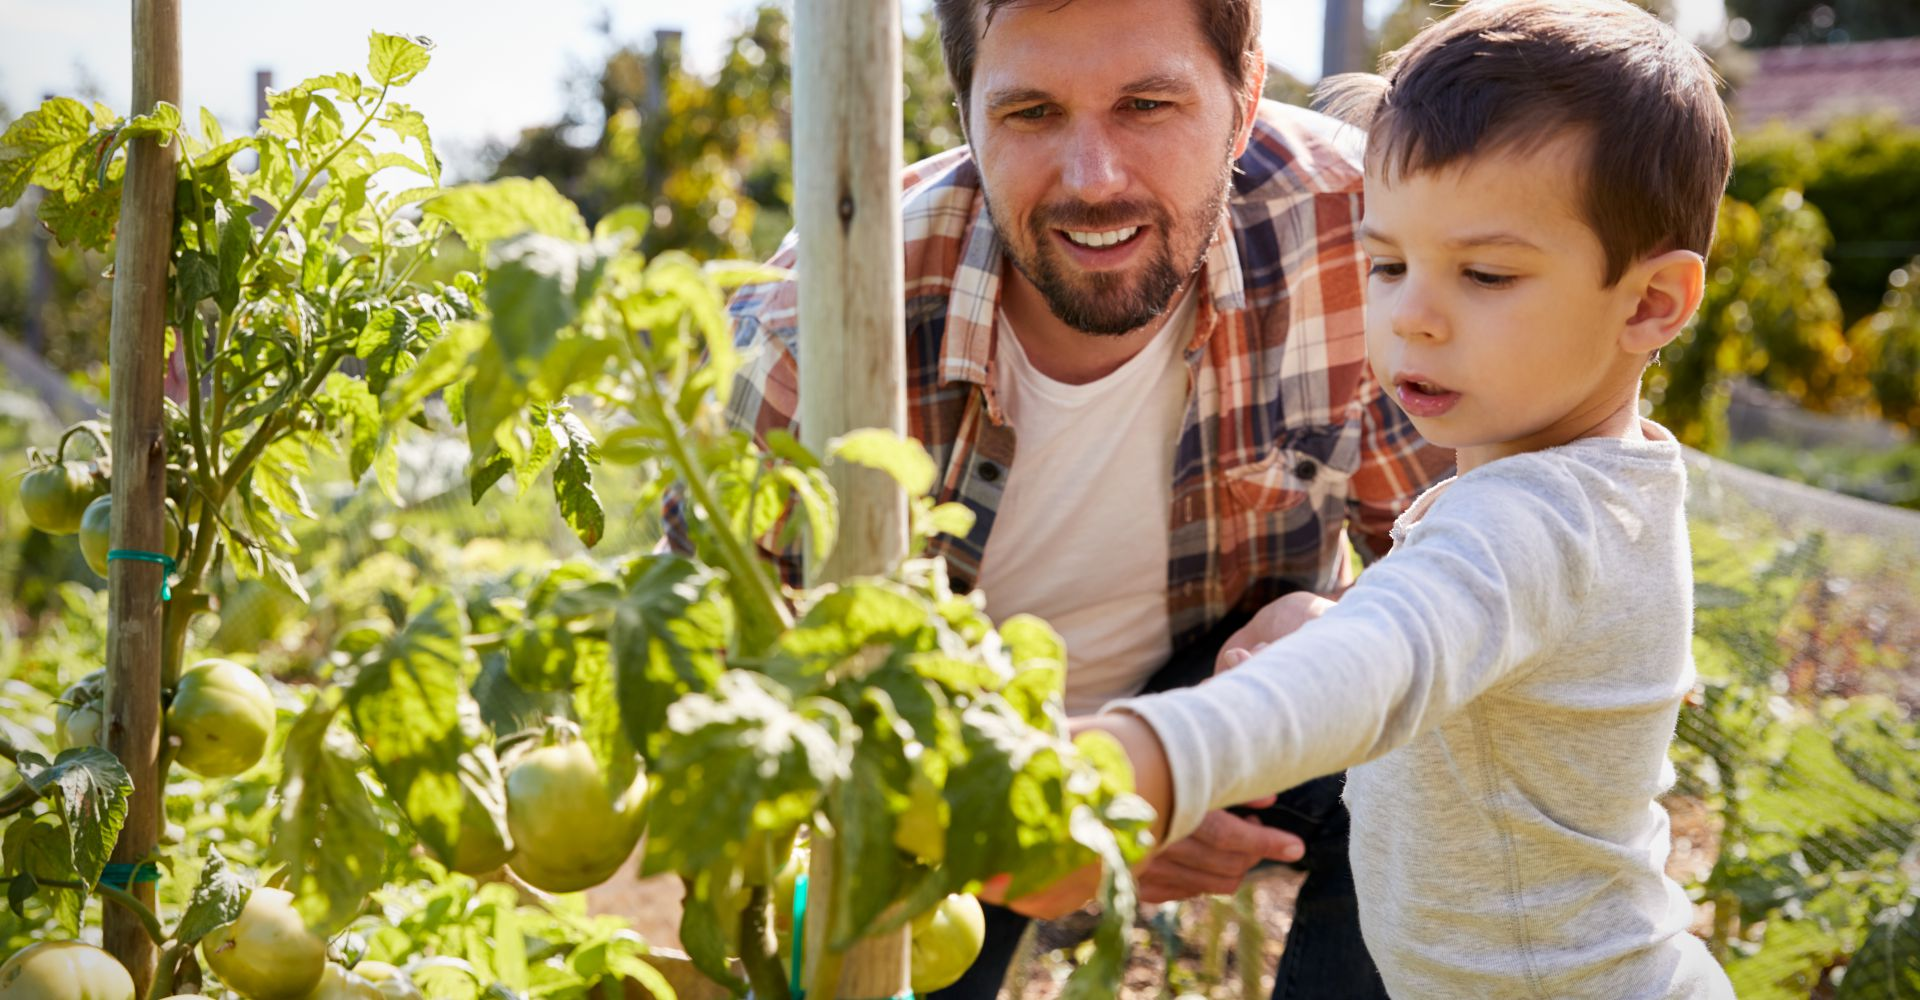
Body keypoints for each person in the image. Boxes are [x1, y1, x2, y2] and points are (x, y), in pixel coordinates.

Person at [689, 0, 1451, 994]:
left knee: (1433, 750)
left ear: (1247, 90)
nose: (1095, 179)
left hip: (1240, 712)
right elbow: (731, 706)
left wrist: (1351, 620)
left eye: (1145, 104)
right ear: (962, 111)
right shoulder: (807, 337)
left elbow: (1477, 572)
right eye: (1032, 114)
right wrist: (1072, 817)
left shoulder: (1361, 233)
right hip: (953, 784)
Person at [1022, 0, 1738, 995]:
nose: (1412, 316)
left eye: (1485, 273)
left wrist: (1145, 758)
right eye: (1388, 262)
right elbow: (1470, 641)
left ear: (1652, 303)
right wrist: (1341, 611)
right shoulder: (1606, 477)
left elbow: (1383, 666)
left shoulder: (1532, 513)